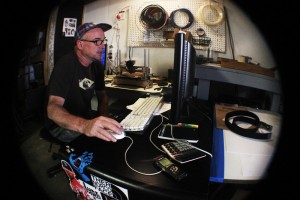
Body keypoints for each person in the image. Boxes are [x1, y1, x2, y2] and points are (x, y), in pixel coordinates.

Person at [46, 22, 122, 143]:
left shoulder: (97, 65)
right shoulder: (65, 65)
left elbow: (103, 98)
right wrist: (85, 125)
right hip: (61, 125)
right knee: (97, 145)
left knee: (116, 133)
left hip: (85, 117)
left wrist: (105, 119)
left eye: (103, 41)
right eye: (97, 41)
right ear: (80, 44)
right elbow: (52, 109)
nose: (102, 46)